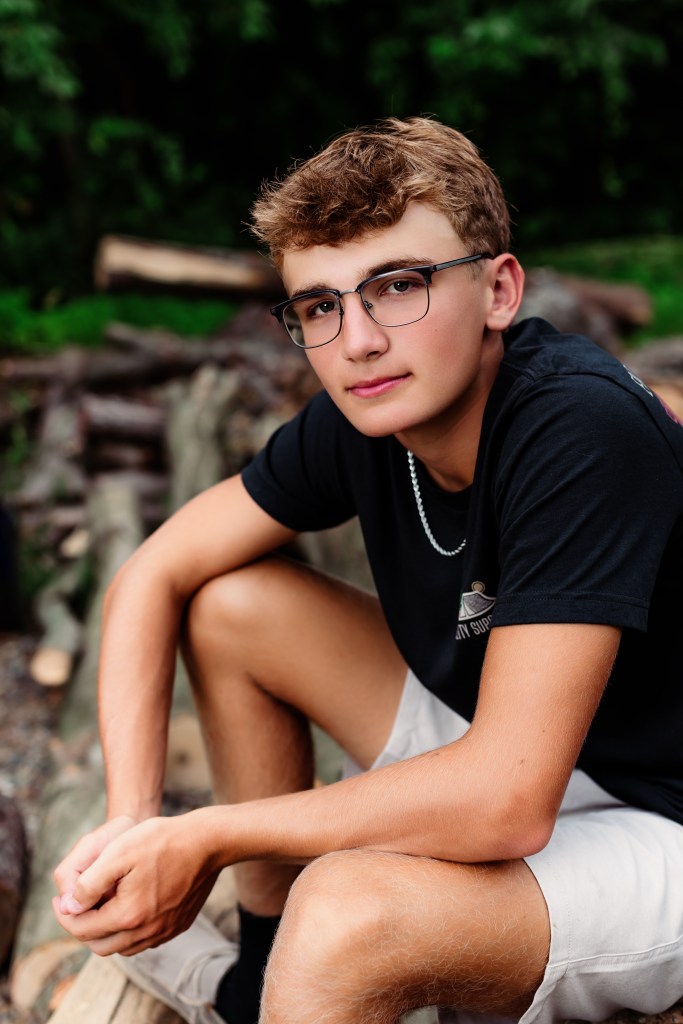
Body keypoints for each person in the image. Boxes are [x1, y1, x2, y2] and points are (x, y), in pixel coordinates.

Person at [52, 115, 683, 1024]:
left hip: (657, 817)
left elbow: (506, 801)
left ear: (498, 290)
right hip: (540, 751)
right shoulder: (360, 416)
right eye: (320, 305)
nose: (357, 342)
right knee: (234, 604)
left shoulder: (578, 428)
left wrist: (206, 838)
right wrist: (131, 823)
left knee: (345, 911)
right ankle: (258, 982)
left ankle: (313, 968)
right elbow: (154, 571)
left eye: (397, 287)